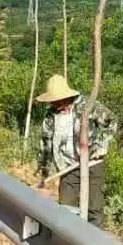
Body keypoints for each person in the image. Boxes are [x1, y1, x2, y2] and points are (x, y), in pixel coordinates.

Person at [36, 74, 116, 226]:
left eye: (58, 100)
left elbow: (111, 121)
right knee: (66, 209)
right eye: (53, 101)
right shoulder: (50, 116)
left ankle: (92, 239)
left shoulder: (87, 106)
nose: (56, 104)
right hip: (68, 167)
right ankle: (67, 238)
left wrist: (100, 145)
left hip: (92, 164)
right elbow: (46, 144)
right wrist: (44, 172)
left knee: (94, 209)